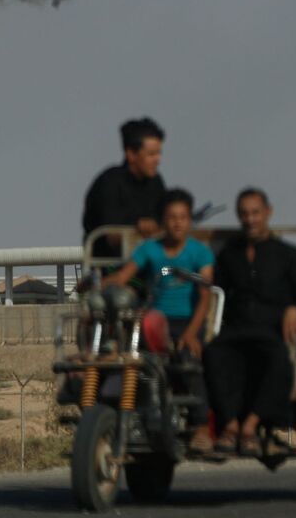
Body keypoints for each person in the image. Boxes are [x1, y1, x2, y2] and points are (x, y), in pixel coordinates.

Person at [204, 187, 296, 456]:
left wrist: (294, 309)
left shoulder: (292, 256)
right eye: (244, 214)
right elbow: (215, 290)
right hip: (235, 331)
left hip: (273, 332)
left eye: (256, 213)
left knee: (278, 362)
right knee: (212, 354)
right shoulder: (229, 255)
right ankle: (230, 426)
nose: (250, 219)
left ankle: (251, 427)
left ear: (268, 213)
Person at [108, 188, 215, 454]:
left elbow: (205, 296)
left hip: (187, 323)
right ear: (162, 220)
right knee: (130, 362)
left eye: (182, 217)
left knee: (190, 362)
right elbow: (123, 276)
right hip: (154, 321)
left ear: (189, 220)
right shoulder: (150, 250)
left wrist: (191, 334)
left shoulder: (199, 253)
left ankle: (201, 426)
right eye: (171, 217)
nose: (177, 222)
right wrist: (99, 286)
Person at [82, 117, 166, 266]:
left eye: (159, 154)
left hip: (151, 269)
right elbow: (111, 236)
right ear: (131, 154)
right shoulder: (109, 183)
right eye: (152, 154)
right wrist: (139, 229)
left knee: (179, 276)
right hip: (110, 271)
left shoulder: (156, 183)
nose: (158, 160)